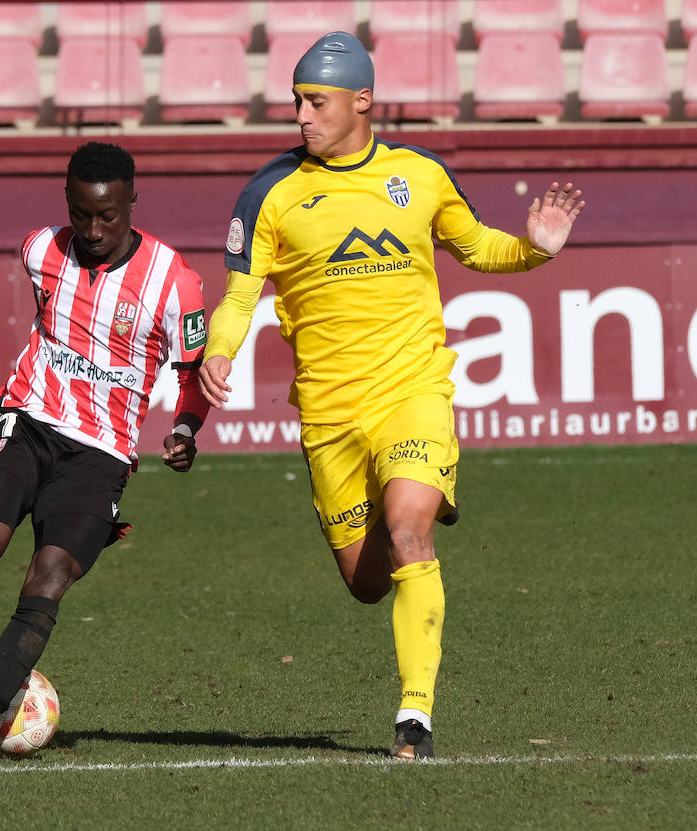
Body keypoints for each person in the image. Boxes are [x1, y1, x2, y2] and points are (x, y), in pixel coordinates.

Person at [198, 32, 584, 760]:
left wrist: (534, 247)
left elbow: (479, 246)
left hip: (413, 389)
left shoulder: (420, 174)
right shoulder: (269, 192)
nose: (302, 116)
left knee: (410, 531)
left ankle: (415, 717)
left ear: (362, 101)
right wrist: (220, 349)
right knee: (367, 582)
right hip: (330, 414)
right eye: (297, 102)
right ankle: (396, 503)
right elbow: (240, 296)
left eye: (316, 102)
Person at [0, 141, 210, 768]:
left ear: (132, 204)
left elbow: (193, 374)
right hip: (27, 420)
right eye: (80, 214)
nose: (92, 230)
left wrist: (185, 429)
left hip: (102, 452)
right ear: (66, 202)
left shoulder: (176, 282)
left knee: (52, 574)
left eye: (107, 216)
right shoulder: (40, 249)